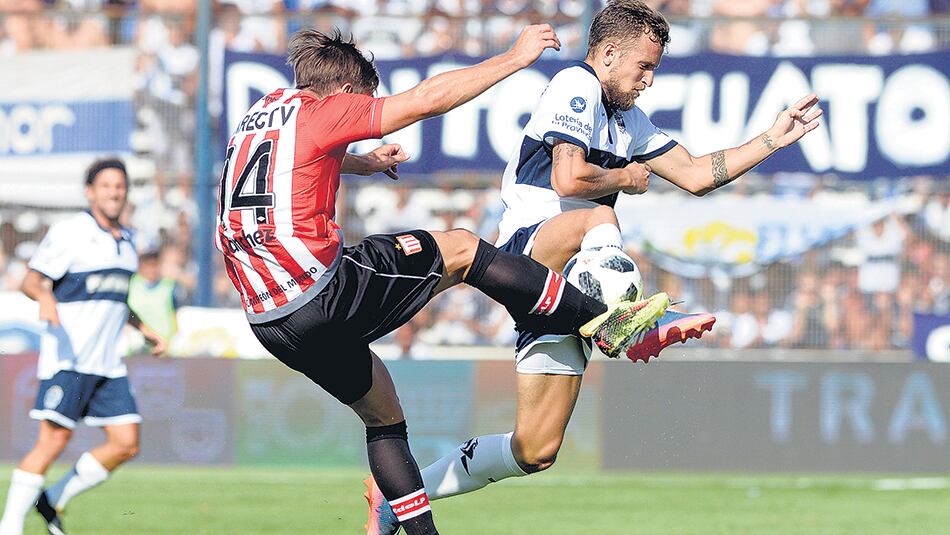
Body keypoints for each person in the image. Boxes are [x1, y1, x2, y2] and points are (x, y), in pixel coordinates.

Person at [365, 2, 824, 533]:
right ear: (608, 54)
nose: (649, 80)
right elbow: (568, 180)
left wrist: (772, 138)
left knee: (535, 448)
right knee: (596, 215)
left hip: (567, 284)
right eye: (644, 67)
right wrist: (626, 179)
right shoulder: (574, 85)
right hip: (528, 252)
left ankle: (396, 494)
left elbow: (697, 174)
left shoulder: (628, 118)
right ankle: (628, 325)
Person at [217, 27, 662, 535]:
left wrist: (359, 162)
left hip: (268, 317)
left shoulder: (262, 115)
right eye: (363, 107)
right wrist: (513, 59)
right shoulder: (327, 109)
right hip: (321, 289)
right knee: (461, 248)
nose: (365, 122)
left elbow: (286, 167)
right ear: (343, 94)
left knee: (383, 416)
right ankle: (601, 320)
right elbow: (426, 100)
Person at [0, 159, 167, 535]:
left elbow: (114, 298)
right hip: (70, 358)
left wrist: (144, 329)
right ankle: (8, 526)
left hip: (108, 363)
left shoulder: (127, 242)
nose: (114, 192)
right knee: (52, 442)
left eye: (120, 186)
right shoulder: (71, 232)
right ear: (90, 191)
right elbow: (31, 280)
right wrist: (44, 297)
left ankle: (53, 497)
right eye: (106, 185)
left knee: (126, 443)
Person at [128, 248, 180, 350]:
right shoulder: (132, 284)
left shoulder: (169, 286)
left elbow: (175, 316)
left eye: (154, 265)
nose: (152, 270)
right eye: (148, 265)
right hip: (136, 347)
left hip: (164, 346)